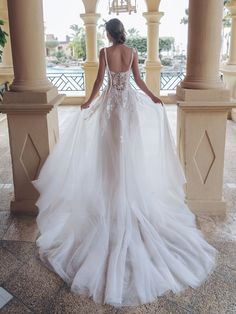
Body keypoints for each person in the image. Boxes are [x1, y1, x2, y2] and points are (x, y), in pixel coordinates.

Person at [32, 18, 217, 307]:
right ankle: (125, 198)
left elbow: (97, 83)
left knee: (109, 156)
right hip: (128, 106)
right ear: (123, 34)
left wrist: (88, 102)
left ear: (108, 34)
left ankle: (113, 198)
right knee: (128, 153)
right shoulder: (132, 52)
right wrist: (155, 97)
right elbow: (139, 81)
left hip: (110, 107)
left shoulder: (105, 54)